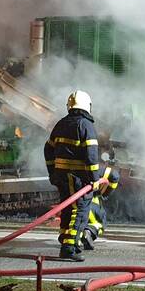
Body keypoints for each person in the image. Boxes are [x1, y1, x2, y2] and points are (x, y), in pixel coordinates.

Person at [43, 90, 102, 261]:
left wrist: (52, 172)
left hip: (62, 176)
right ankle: (69, 247)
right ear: (87, 106)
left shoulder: (61, 124)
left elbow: (48, 149)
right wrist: (95, 178)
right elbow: (91, 155)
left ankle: (66, 241)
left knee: (67, 209)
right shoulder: (86, 125)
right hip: (77, 178)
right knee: (80, 210)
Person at [81, 164, 120, 251]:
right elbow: (114, 175)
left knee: (73, 222)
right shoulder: (101, 169)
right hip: (88, 200)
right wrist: (103, 194)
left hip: (72, 197)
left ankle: (69, 243)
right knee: (98, 222)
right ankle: (88, 232)